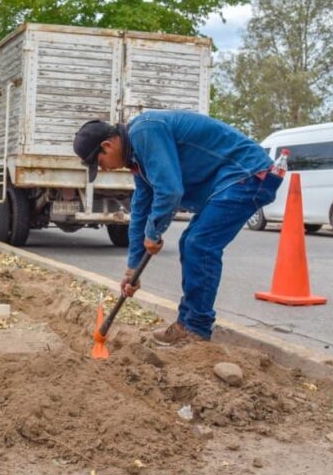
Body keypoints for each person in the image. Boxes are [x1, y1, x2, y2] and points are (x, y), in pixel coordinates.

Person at [73, 110, 282, 346]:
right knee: (190, 242)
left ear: (107, 145)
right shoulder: (138, 158)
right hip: (229, 180)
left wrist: (154, 233)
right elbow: (141, 208)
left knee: (200, 244)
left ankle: (197, 330)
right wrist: (132, 268)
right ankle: (187, 325)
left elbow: (170, 191)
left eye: (99, 163)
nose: (103, 169)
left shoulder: (145, 131)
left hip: (247, 174)